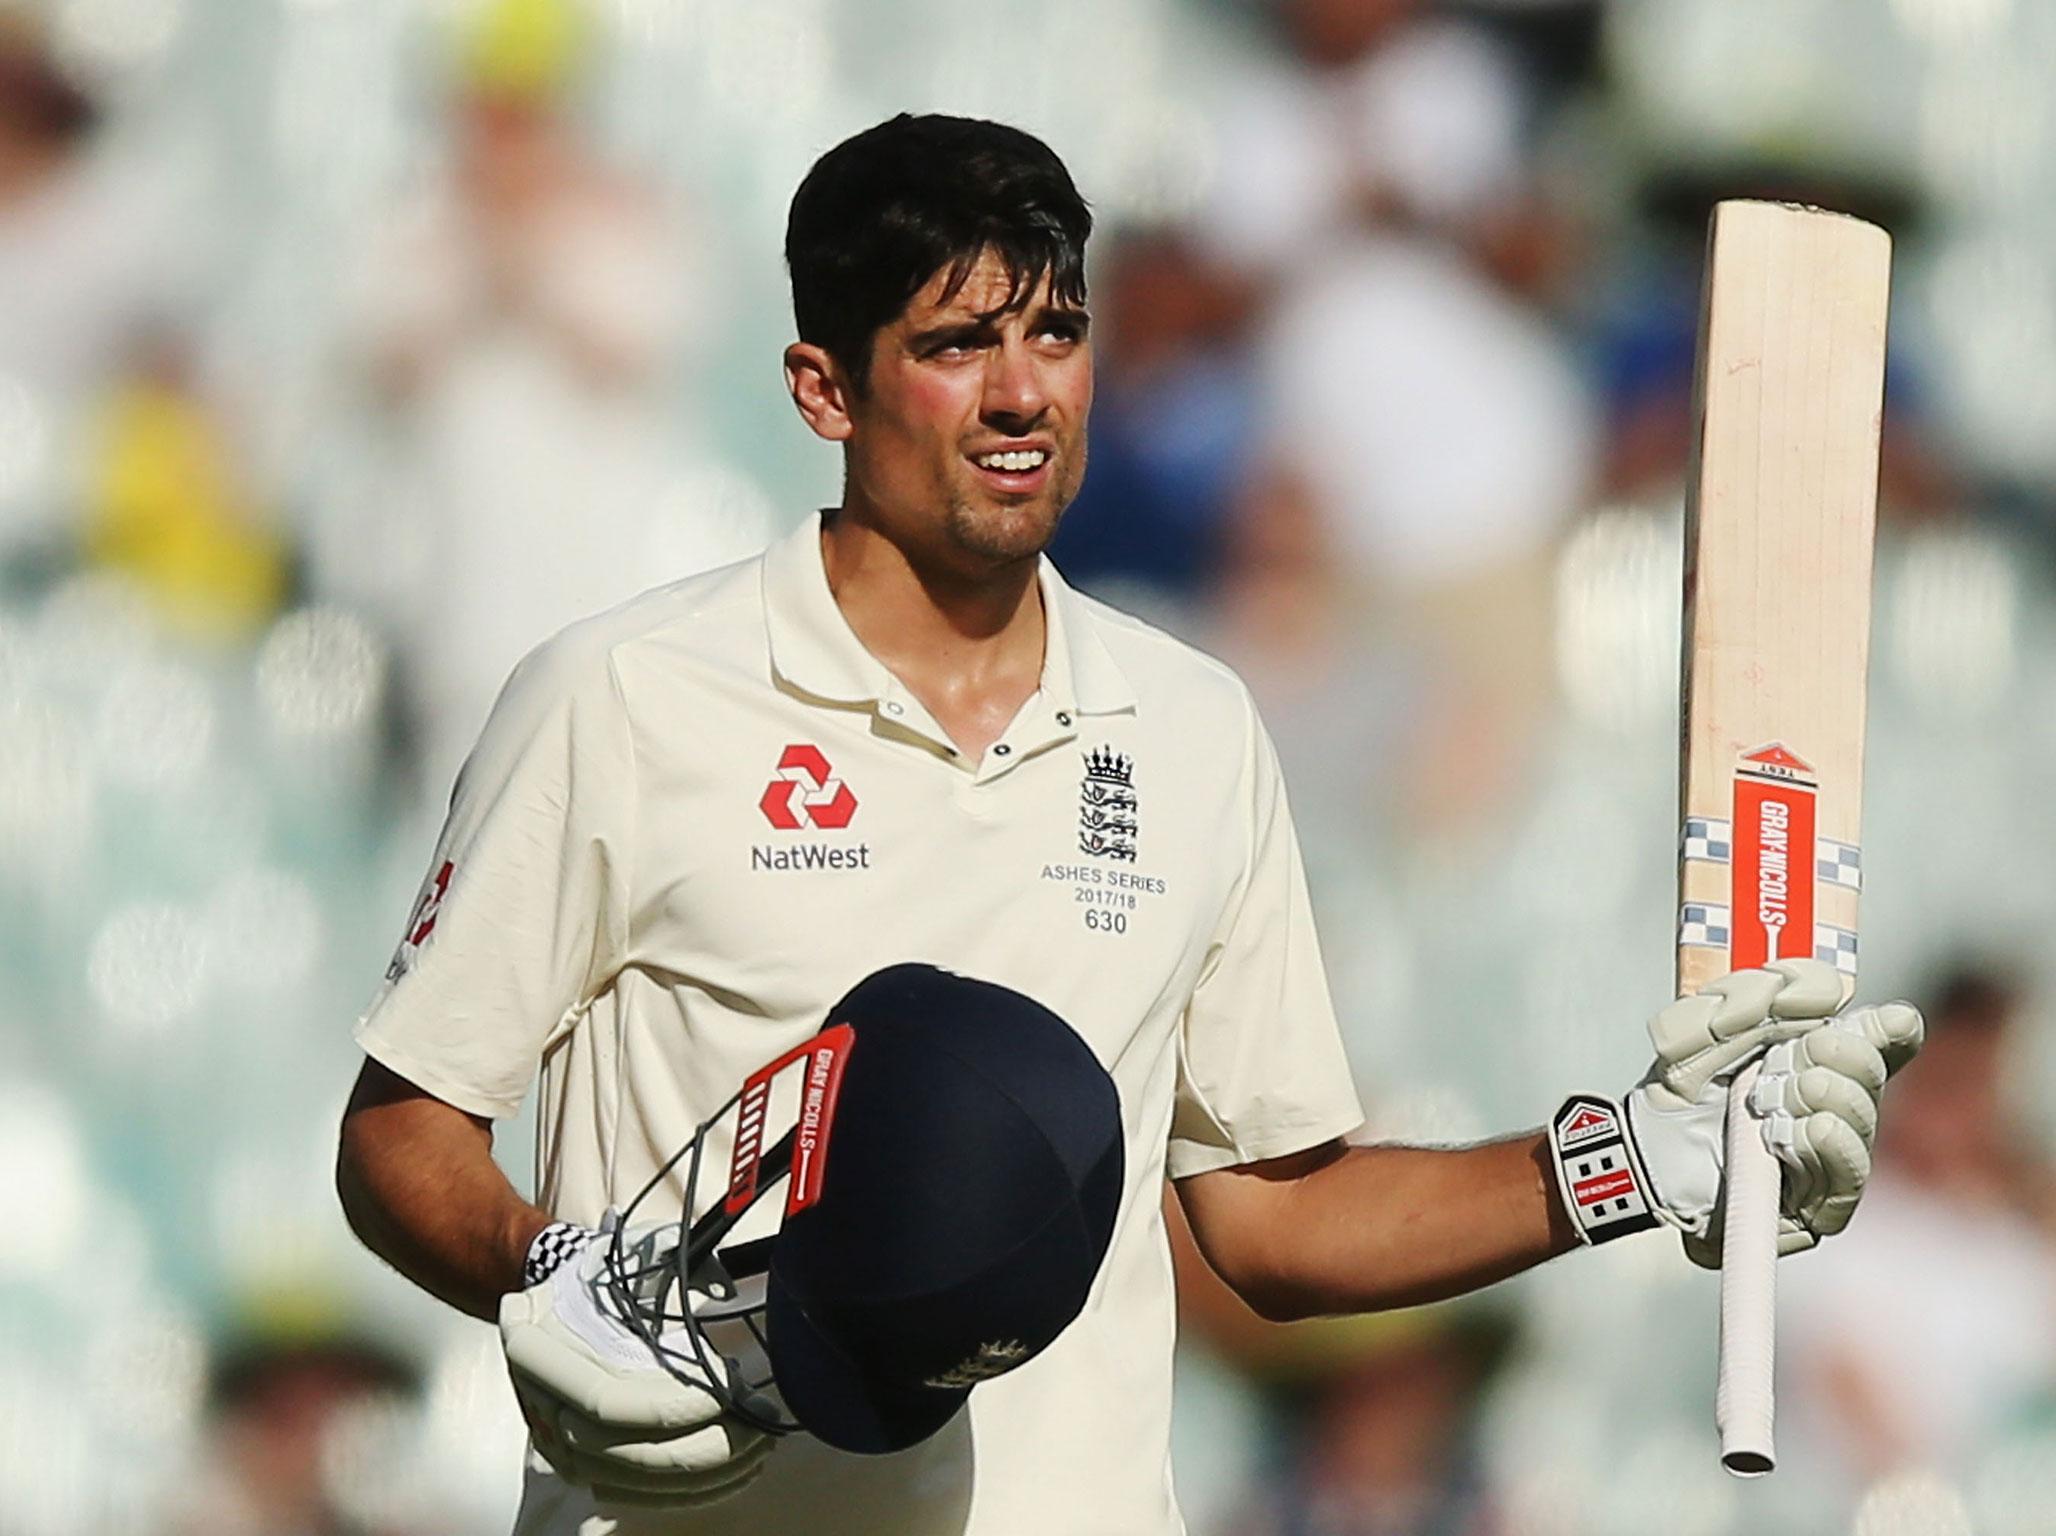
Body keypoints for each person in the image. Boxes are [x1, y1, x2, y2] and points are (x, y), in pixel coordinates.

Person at [334, 114, 1924, 1536]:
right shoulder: (625, 695)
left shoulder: (1193, 728)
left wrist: (1624, 1162)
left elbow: (1277, 1217)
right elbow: (401, 1131)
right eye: (958, 343)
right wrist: (561, 1280)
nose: (1023, 392)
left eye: (1059, 331)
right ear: (825, 385)